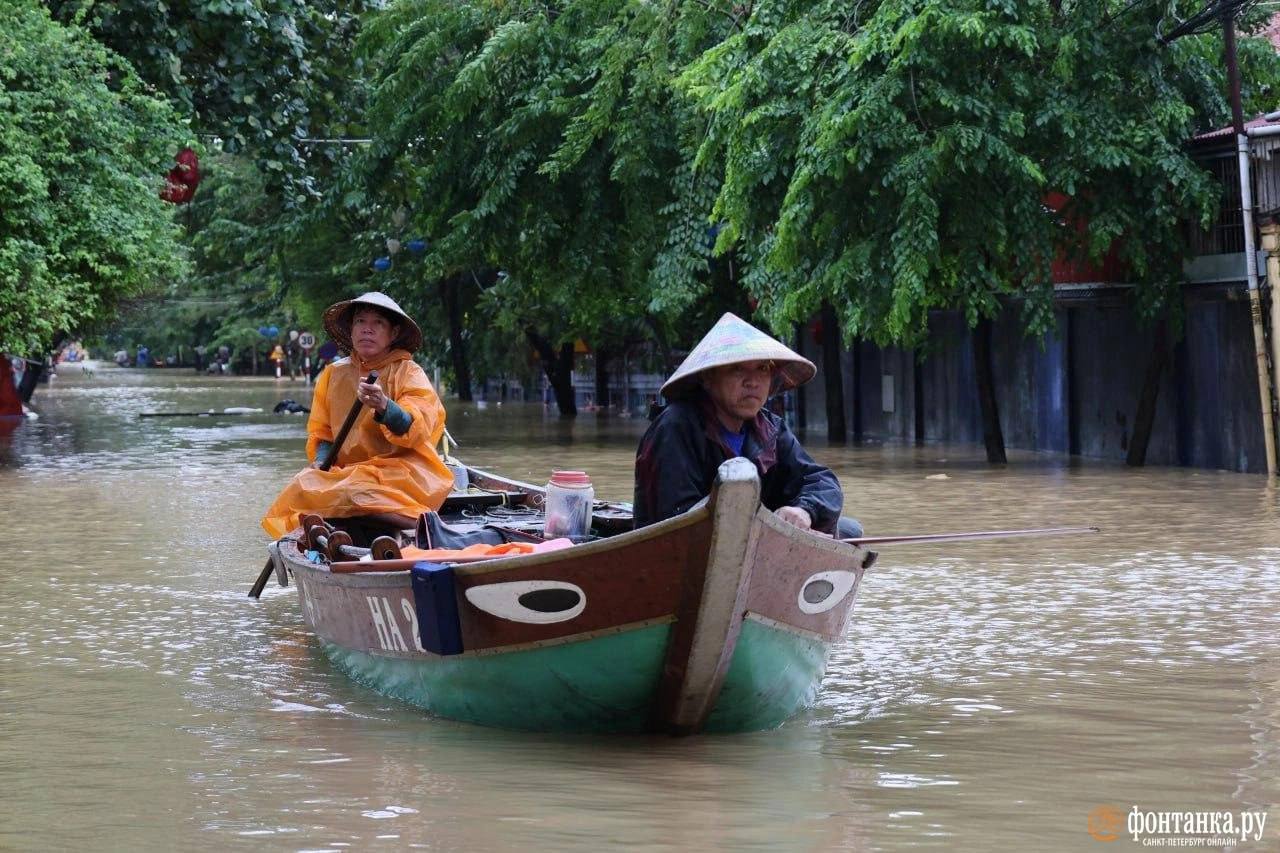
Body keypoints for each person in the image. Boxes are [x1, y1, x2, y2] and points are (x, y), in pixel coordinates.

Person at [633, 312, 862, 539]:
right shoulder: (675, 427)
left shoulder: (770, 429)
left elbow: (821, 481)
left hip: (751, 537)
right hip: (690, 544)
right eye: (737, 369)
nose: (752, 382)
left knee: (849, 530)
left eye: (762, 368)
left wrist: (804, 511)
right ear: (708, 378)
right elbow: (675, 518)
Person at [260, 292, 453, 542]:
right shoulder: (333, 373)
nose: (367, 330)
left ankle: (421, 525)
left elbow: (417, 425)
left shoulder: (408, 372)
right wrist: (321, 461)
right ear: (351, 330)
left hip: (402, 471)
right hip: (349, 472)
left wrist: (384, 406)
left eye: (377, 323)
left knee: (355, 492)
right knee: (301, 486)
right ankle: (335, 526)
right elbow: (323, 432)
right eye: (361, 321)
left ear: (393, 333)